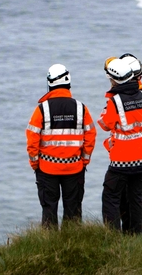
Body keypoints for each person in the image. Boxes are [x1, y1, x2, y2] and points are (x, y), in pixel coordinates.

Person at [26, 64, 96, 229]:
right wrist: (84, 160)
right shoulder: (81, 108)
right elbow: (91, 135)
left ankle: (50, 242)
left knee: (49, 210)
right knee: (73, 211)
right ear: (68, 82)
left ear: (49, 84)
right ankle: (73, 241)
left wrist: (35, 163)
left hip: (47, 169)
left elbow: (32, 139)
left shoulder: (42, 109)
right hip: (74, 167)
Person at [98, 58, 142, 234]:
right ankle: (136, 235)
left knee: (110, 196)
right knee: (136, 197)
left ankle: (113, 235)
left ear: (114, 80)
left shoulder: (115, 102)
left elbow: (104, 124)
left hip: (121, 160)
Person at [117, 53, 142, 235]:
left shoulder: (122, 98)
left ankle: (132, 230)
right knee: (139, 193)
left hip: (127, 154)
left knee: (128, 194)